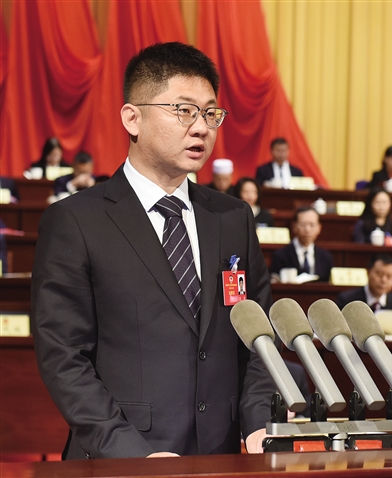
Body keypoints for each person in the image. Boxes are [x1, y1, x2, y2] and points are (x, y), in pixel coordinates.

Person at [32, 42, 276, 460]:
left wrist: (258, 424)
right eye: (184, 110)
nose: (201, 128)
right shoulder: (75, 221)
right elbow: (63, 356)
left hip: (220, 456)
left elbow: (259, 338)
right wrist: (131, 453)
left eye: (210, 113)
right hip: (120, 458)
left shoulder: (232, 217)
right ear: (133, 118)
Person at [269, 206, 333, 282]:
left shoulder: (326, 257)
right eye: (303, 224)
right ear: (294, 226)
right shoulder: (280, 255)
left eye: (312, 225)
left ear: (319, 228)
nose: (307, 229)